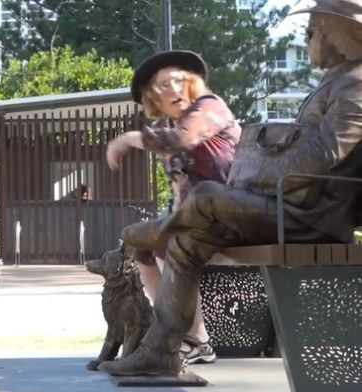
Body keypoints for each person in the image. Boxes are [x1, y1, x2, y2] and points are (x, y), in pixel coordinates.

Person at [101, 0, 362, 376]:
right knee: (186, 242)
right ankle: (161, 352)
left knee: (205, 195)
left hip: (314, 217)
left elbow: (323, 155)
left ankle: (165, 225)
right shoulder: (337, 80)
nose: (306, 42)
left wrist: (259, 181)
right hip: (291, 205)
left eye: (311, 33)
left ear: (336, 35)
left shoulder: (355, 85)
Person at [104, 49, 241, 365]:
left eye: (179, 80)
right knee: (141, 244)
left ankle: (196, 340)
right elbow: (180, 190)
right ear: (154, 98)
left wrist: (126, 139)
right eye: (164, 86)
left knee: (170, 242)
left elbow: (184, 139)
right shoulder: (169, 125)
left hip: (238, 211)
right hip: (201, 217)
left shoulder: (209, 107)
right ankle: (175, 332)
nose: (175, 90)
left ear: (192, 83)